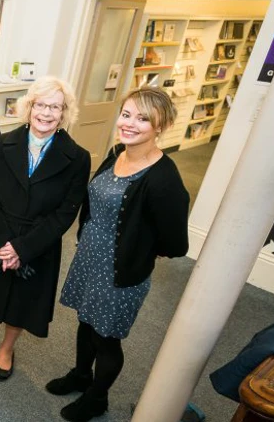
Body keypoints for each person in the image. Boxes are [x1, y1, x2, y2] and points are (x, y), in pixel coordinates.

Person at [47, 88, 190, 422]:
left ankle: (98, 397)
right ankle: (81, 375)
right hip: (89, 258)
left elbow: (176, 243)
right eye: (126, 114)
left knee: (106, 337)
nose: (130, 123)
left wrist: (143, 249)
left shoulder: (163, 178)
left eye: (142, 119)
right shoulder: (117, 153)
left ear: (160, 126)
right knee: (85, 320)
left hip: (121, 270)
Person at [0, 76, 90, 381]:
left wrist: (22, 248)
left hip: (38, 243)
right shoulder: (1, 143)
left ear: (64, 112)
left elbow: (66, 213)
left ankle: (7, 349)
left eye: (54, 107)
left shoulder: (78, 158)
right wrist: (5, 242)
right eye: (40, 104)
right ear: (29, 107)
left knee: (21, 302)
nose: (46, 113)